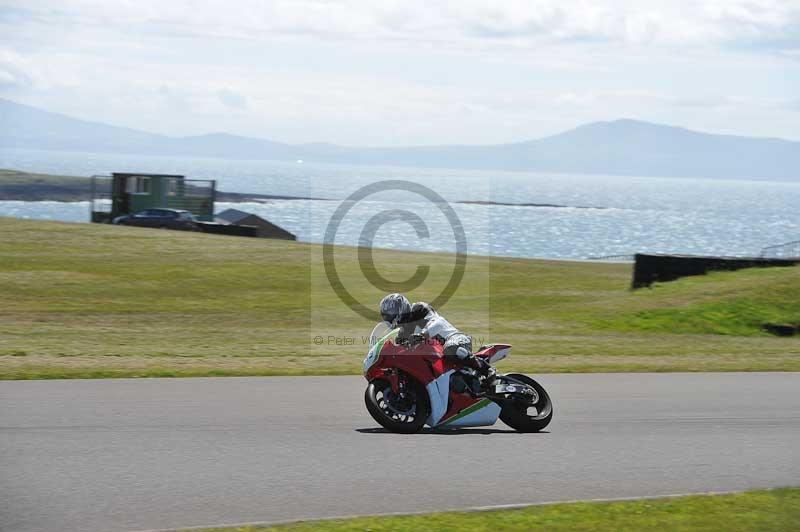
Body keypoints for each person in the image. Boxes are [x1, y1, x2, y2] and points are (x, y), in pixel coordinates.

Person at [378, 293, 493, 388]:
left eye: (388, 315)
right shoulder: (403, 332)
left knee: (450, 350)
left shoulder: (419, 309)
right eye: (385, 317)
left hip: (455, 339)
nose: (387, 319)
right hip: (437, 354)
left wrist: (423, 334)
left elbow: (437, 322)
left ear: (399, 309)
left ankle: (487, 369)